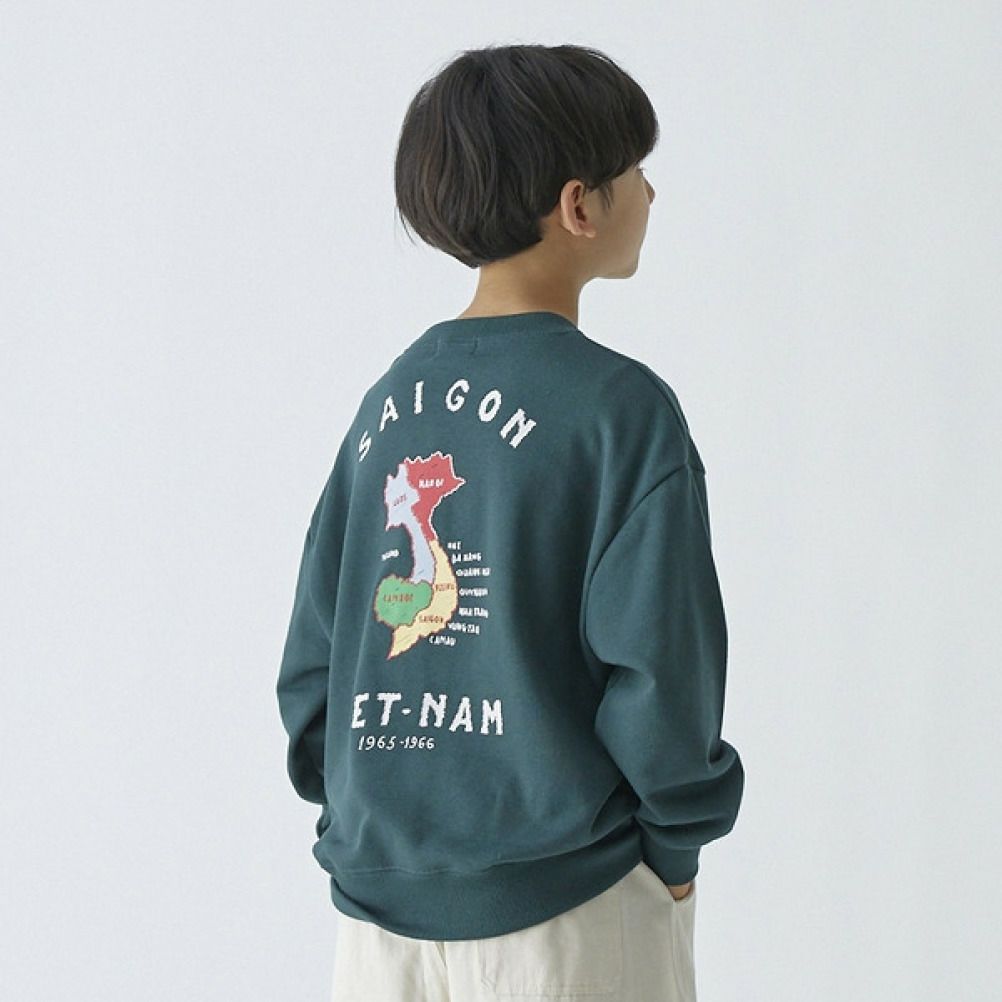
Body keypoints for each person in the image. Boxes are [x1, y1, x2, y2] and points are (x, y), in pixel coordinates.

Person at [276, 42, 745, 1002]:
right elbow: (663, 671)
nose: (652, 193)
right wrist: (676, 846)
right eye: (636, 171)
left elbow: (316, 662)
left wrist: (374, 827)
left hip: (378, 926)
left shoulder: (385, 406)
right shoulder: (619, 411)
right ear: (580, 207)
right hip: (573, 909)